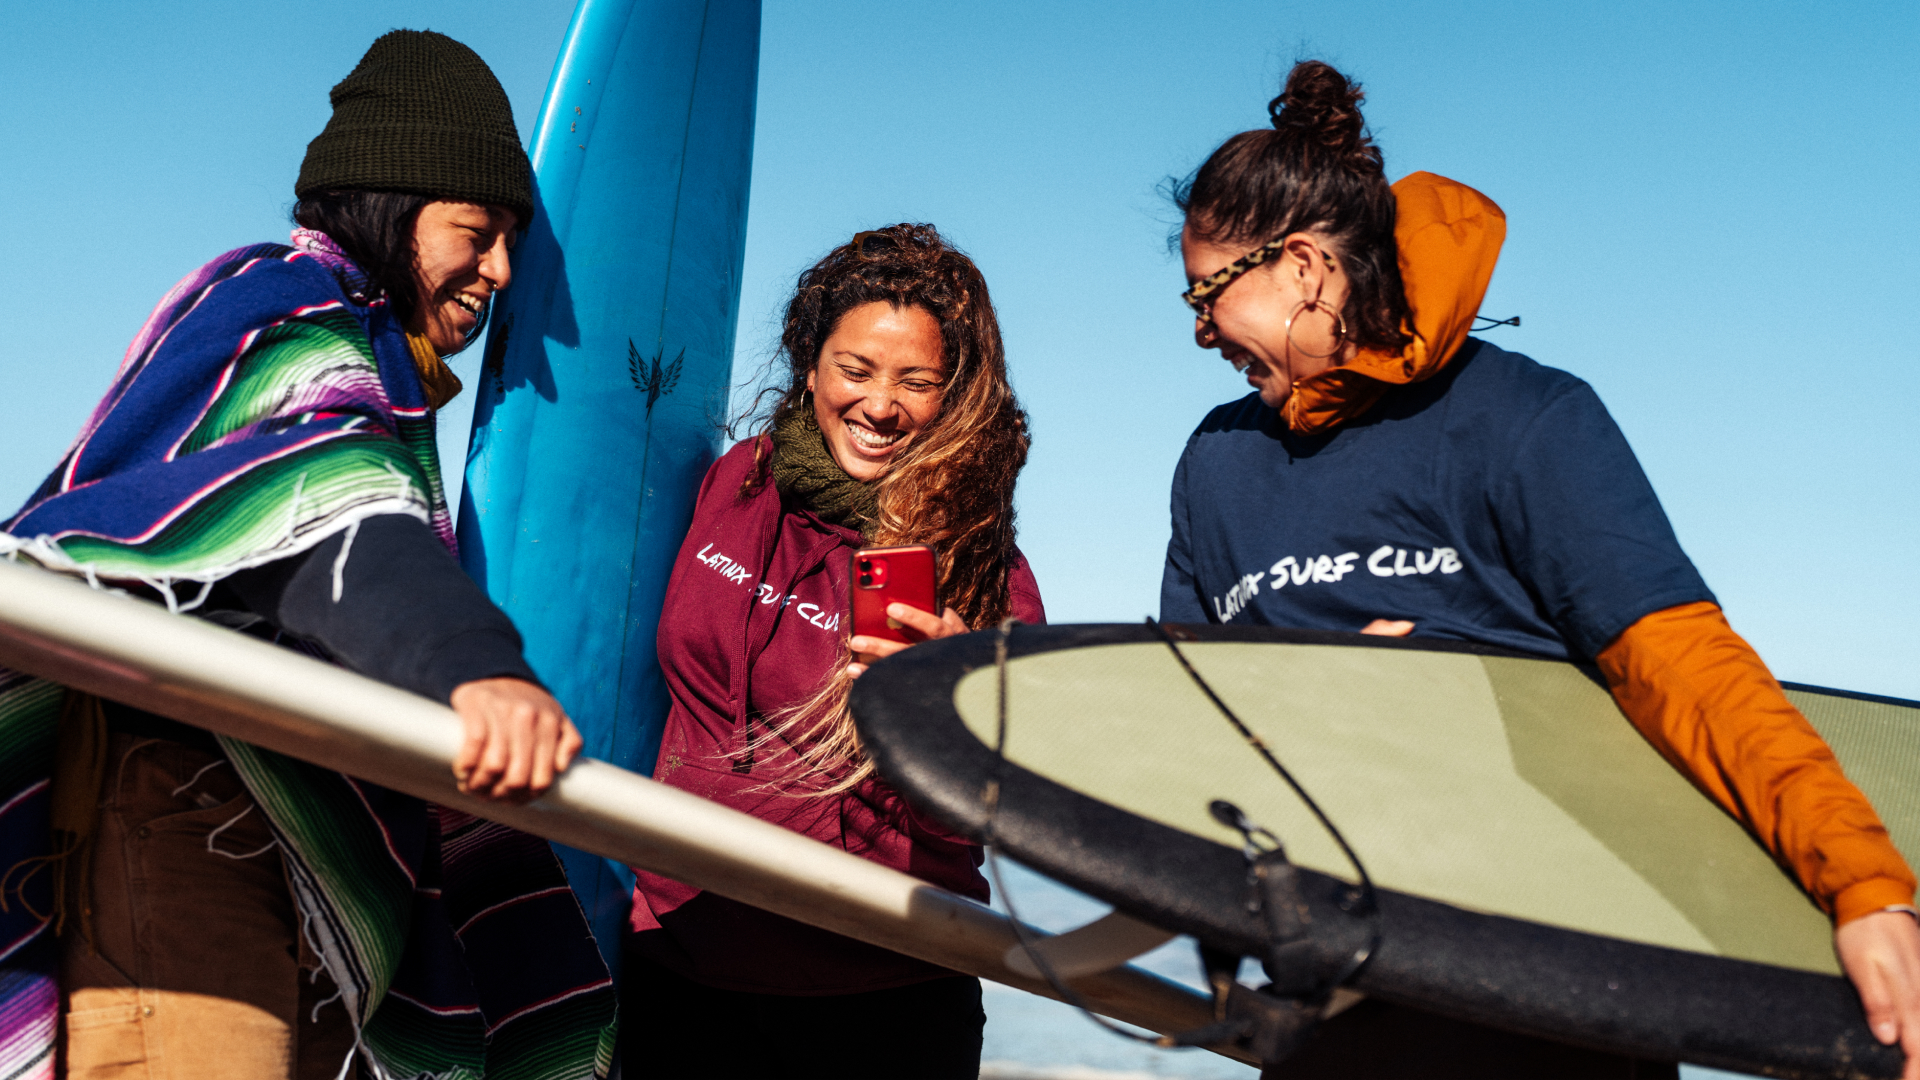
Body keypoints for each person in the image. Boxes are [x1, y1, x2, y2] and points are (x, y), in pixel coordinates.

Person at [1162, 60, 1920, 1079]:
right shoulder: (1218, 465)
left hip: (1561, 997)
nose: (1199, 329)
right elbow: (1181, 721)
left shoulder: (1521, 421)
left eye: (1209, 293)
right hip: (1336, 1009)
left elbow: (1687, 675)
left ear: (1302, 264)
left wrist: (1865, 888)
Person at [0, 31, 615, 1080]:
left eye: (513, 238)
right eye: (478, 231)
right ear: (389, 205)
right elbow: (325, 522)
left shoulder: (384, 382)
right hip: (186, 808)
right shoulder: (275, 305)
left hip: (302, 855)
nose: (502, 270)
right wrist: (476, 666)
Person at [621, 224, 1041, 1079]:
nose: (880, 407)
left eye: (916, 381)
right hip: (682, 961)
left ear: (954, 395)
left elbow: (998, 808)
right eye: (855, 370)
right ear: (810, 363)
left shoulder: (984, 572)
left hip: (883, 995)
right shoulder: (737, 483)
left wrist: (949, 724)